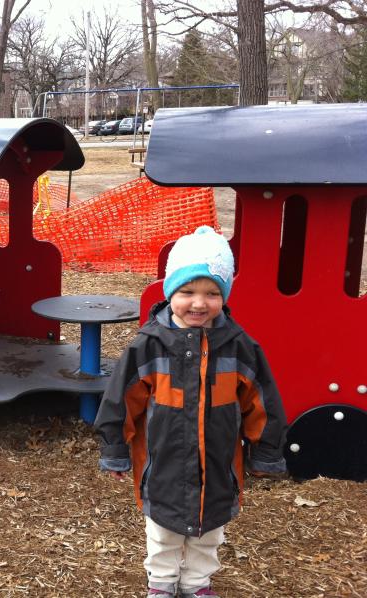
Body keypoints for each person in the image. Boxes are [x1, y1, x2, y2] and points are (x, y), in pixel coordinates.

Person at [94, 226, 287, 598]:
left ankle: (197, 583)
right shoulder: (149, 346)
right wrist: (115, 448)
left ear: (224, 296)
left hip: (218, 463)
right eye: (187, 292)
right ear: (170, 293)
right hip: (163, 461)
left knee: (209, 530)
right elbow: (121, 401)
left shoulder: (239, 347)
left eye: (212, 293)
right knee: (162, 530)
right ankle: (162, 583)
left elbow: (262, 402)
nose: (199, 303)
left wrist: (266, 451)